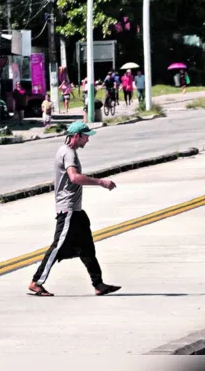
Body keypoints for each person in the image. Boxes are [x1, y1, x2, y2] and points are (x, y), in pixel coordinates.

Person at [28, 121, 122, 297]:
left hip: (75, 211)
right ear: (76, 136)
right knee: (57, 247)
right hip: (68, 210)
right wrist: (101, 182)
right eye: (86, 136)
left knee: (87, 248)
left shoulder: (65, 151)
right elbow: (74, 177)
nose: (88, 140)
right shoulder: (68, 153)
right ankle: (36, 282)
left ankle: (98, 284)